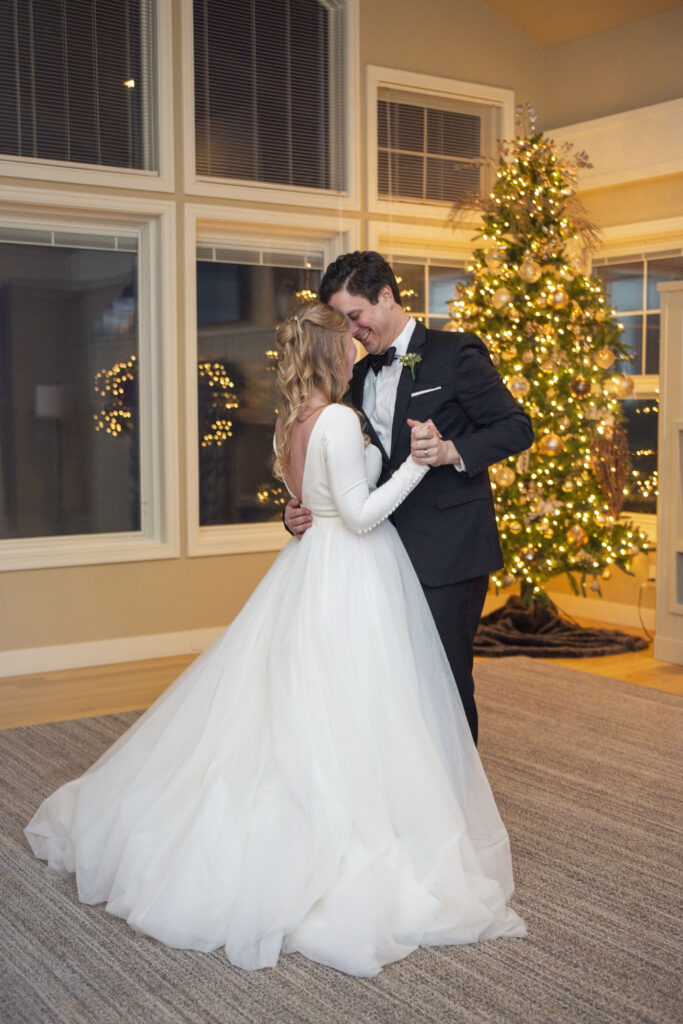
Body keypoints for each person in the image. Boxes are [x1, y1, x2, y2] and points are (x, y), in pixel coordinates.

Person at [25, 303, 525, 978]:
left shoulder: (296, 420)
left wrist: (310, 508)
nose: (357, 348)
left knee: (303, 701)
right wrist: (418, 463)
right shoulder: (342, 420)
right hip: (349, 572)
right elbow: (357, 514)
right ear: (330, 352)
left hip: (308, 569)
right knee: (354, 703)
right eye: (346, 340)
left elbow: (312, 502)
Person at [285, 253, 534, 744]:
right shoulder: (352, 379)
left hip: (447, 553)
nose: (352, 331)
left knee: (445, 681)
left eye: (355, 316)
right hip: (372, 557)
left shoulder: (456, 353)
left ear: (386, 296)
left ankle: (459, 800)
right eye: (343, 323)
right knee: (388, 685)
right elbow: (335, 460)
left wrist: (450, 451)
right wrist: (295, 510)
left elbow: (517, 427)